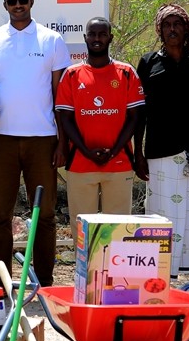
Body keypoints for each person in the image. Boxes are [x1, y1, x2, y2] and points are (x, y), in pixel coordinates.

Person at [0, 0, 69, 287]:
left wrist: (62, 141)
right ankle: (1, 282)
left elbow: (60, 96)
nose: (18, 5)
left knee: (45, 215)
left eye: (23, 0)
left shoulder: (51, 39)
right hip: (0, 139)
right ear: (4, 5)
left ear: (32, 0)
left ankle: (45, 282)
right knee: (0, 215)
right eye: (12, 1)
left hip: (43, 139)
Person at [134, 5, 189, 279]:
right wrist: (137, 152)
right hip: (159, 151)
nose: (172, 29)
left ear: (186, 27)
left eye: (177, 23)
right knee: (161, 216)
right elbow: (140, 113)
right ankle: (159, 277)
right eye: (166, 24)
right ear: (160, 30)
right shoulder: (148, 63)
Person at [56, 17, 143, 223]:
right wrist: (87, 152)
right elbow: (65, 119)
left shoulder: (126, 73)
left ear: (110, 38)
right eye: (92, 34)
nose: (97, 39)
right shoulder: (71, 75)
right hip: (81, 162)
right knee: (82, 227)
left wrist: (113, 151)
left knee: (118, 228)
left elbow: (135, 118)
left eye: (102, 34)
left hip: (119, 162)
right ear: (85, 38)